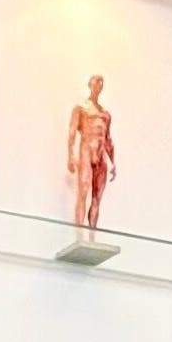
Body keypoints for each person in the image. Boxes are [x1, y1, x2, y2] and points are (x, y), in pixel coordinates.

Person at [67, 74, 116, 234]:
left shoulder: (105, 114)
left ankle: (92, 236)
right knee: (83, 192)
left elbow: (108, 138)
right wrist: (70, 155)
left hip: (100, 154)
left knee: (96, 198)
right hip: (87, 151)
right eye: (96, 84)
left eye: (101, 85)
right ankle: (79, 235)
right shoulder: (81, 108)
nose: (98, 87)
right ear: (90, 85)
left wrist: (113, 161)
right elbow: (72, 132)